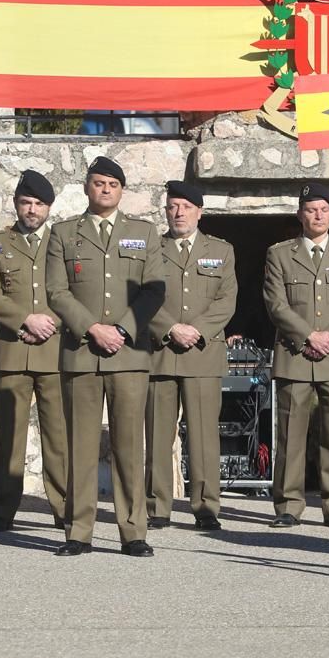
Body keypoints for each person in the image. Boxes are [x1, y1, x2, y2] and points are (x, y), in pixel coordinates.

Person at [45, 156, 165, 557]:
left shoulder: (144, 233)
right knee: (79, 445)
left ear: (122, 190)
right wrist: (92, 328)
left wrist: (123, 329)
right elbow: (57, 292)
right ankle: (78, 532)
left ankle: (133, 531)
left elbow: (154, 290)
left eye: (113, 184)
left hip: (129, 355)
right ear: (86, 187)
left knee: (129, 446)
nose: (105, 190)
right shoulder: (64, 234)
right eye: (98, 183)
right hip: (82, 353)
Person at [262, 184, 329, 528]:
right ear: (299, 215)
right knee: (291, 434)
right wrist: (308, 336)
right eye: (310, 209)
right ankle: (288, 505)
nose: (317, 215)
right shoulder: (279, 254)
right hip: (295, 355)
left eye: (323, 209)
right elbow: (276, 304)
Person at [0, 170, 68, 533]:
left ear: (49, 207)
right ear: (16, 204)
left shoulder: (64, 241)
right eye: (26, 203)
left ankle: (66, 510)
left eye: (39, 204)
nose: (32, 210)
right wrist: (26, 321)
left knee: (60, 437)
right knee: (9, 436)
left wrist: (51, 322)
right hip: (13, 350)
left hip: (57, 351)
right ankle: (3, 511)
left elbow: (77, 291)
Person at [145, 181, 236, 531]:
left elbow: (226, 300)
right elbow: (141, 295)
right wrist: (170, 329)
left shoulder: (222, 251)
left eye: (185, 206)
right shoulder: (152, 248)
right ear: (166, 211)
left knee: (202, 435)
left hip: (202, 352)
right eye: (172, 206)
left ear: (199, 211)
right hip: (161, 352)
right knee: (158, 434)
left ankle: (206, 507)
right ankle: (158, 507)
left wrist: (195, 328)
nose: (178, 213)